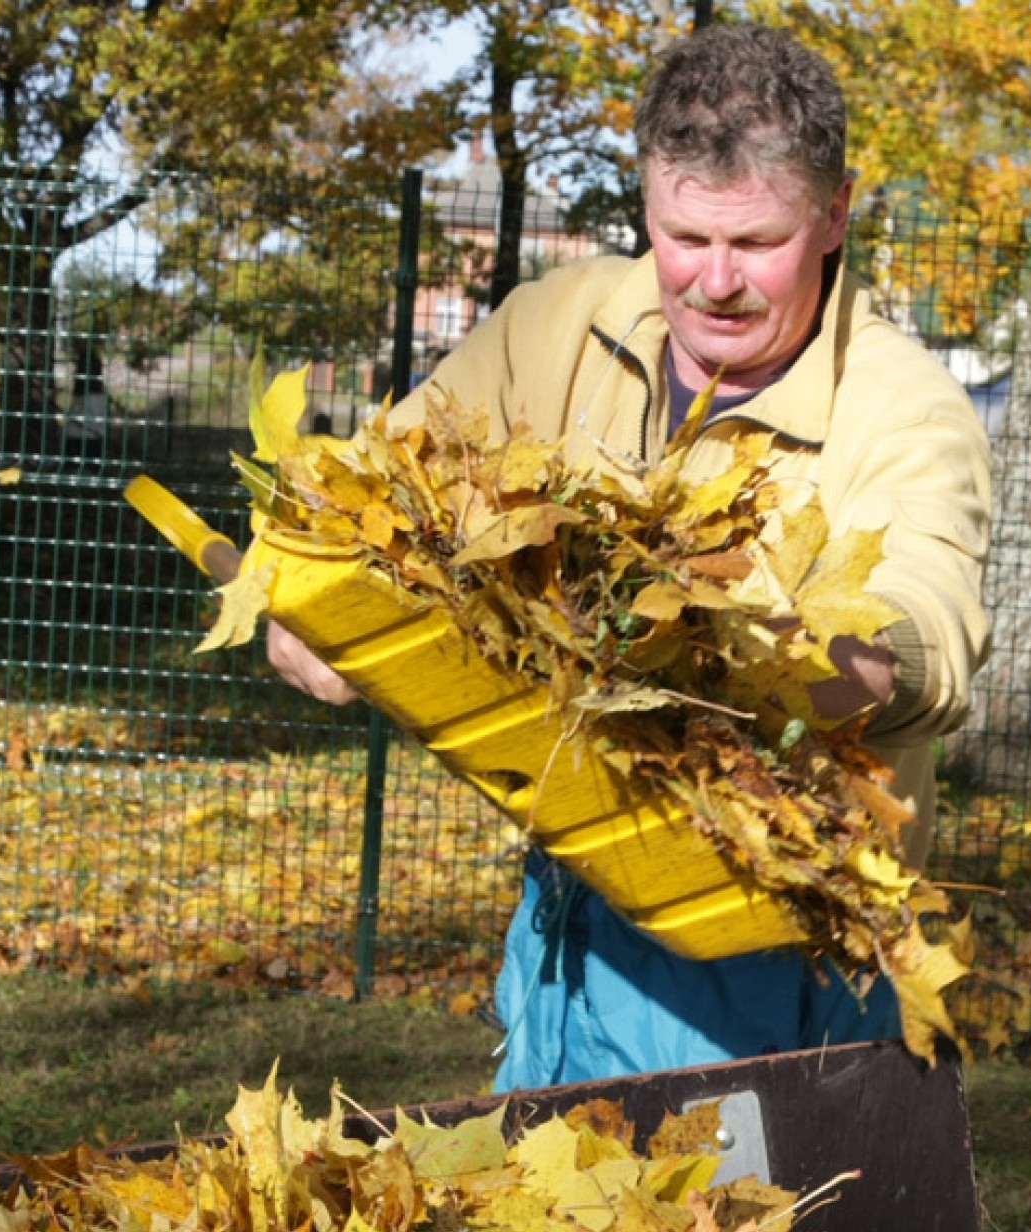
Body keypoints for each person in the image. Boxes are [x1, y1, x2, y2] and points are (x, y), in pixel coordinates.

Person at [268, 23, 991, 1089]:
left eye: (755, 244)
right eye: (681, 236)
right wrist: (307, 599)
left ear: (834, 214)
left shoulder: (903, 410)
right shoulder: (559, 323)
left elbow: (926, 636)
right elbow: (365, 493)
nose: (711, 282)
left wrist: (745, 651)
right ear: (646, 201)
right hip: (571, 911)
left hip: (778, 948)